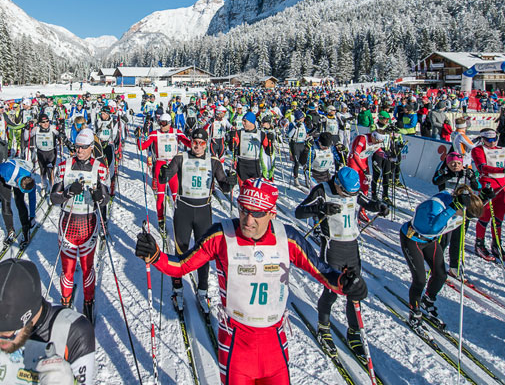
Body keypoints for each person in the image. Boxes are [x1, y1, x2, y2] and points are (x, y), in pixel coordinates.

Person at [134, 179, 367, 385]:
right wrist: (155, 255)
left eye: (257, 213)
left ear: (272, 213)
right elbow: (182, 265)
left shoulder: (288, 238)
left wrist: (347, 284)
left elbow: (323, 272)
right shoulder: (221, 235)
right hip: (236, 348)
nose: (248, 220)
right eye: (244, 210)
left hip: (274, 347)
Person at [295, 167, 386, 359]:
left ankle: (353, 332)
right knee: (332, 292)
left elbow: (367, 202)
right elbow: (299, 212)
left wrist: (379, 207)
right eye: (345, 193)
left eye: (351, 194)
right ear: (337, 183)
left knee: (355, 292)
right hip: (332, 248)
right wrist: (320, 208)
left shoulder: (352, 190)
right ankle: (323, 327)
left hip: (352, 248)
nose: (348, 197)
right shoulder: (322, 190)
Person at [158, 128, 236, 311]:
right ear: (190, 142)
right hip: (183, 210)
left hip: (203, 212)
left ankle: (203, 291)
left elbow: (223, 184)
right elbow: (167, 175)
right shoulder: (180, 158)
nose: (198, 146)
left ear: (207, 143)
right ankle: (177, 289)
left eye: (201, 143)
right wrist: (164, 174)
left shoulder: (214, 162)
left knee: (204, 254)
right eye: (194, 142)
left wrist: (230, 182)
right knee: (181, 250)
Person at [400, 187, 483, 329]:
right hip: (413, 239)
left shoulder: (458, 207)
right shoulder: (436, 205)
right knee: (419, 279)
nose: (464, 220)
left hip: (430, 241)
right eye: (466, 216)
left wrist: (485, 196)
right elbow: (431, 228)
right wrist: (451, 209)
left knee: (440, 275)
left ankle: (428, 300)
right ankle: (414, 312)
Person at [49, 128, 110, 322]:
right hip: (67, 223)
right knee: (67, 268)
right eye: (77, 147)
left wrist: (99, 197)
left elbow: (105, 199)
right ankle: (65, 302)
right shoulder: (64, 165)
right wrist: (67, 192)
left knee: (87, 267)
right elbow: (53, 198)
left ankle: (88, 302)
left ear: (92, 148)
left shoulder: (100, 167)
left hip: (88, 223)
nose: (80, 151)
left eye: (84, 147)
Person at [471, 128, 505, 262]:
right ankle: (479, 244)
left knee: (499, 217)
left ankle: (496, 245)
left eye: (494, 139)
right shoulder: (478, 150)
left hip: (502, 186)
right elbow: (483, 167)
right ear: (482, 139)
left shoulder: (501, 150)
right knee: (485, 216)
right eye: (489, 140)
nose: (492, 142)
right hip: (488, 186)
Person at [431, 151, 485, 279]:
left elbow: (478, 186)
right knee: (443, 240)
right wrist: (449, 175)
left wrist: (472, 177)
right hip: (446, 209)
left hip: (461, 211)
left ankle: (454, 267)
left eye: (458, 163)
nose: (455, 166)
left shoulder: (466, 173)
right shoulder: (444, 171)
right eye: (452, 163)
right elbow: (436, 181)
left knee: (458, 239)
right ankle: (435, 264)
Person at [138, 113, 190, 230]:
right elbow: (142, 146)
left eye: (164, 123)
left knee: (176, 195)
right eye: (160, 123)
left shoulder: (176, 132)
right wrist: (139, 137)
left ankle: (180, 218)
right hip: (160, 165)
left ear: (169, 123)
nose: (161, 126)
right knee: (160, 196)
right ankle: (161, 219)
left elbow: (189, 143)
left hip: (174, 165)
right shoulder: (155, 134)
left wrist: (195, 138)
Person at [0, 157, 37, 248]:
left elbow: (32, 199)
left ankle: (26, 231)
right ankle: (10, 231)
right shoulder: (6, 169)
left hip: (20, 174)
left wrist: (33, 216)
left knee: (20, 202)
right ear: (19, 183)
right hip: (6, 177)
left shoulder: (31, 181)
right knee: (5, 202)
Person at [30, 113, 60, 189]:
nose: (46, 123)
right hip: (41, 152)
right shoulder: (36, 129)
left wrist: (60, 131)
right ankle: (44, 186)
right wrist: (27, 128)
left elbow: (60, 135)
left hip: (51, 152)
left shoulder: (52, 128)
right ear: (39, 123)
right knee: (43, 170)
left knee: (50, 171)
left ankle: (51, 188)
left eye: (47, 121)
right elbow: (27, 137)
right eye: (43, 122)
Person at [287, 110, 311, 186]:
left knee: (304, 163)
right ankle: (296, 179)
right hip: (295, 145)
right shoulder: (292, 124)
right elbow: (289, 135)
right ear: (299, 118)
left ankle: (307, 179)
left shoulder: (304, 124)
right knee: (297, 163)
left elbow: (306, 134)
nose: (304, 118)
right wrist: (295, 127)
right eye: (302, 117)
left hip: (302, 144)